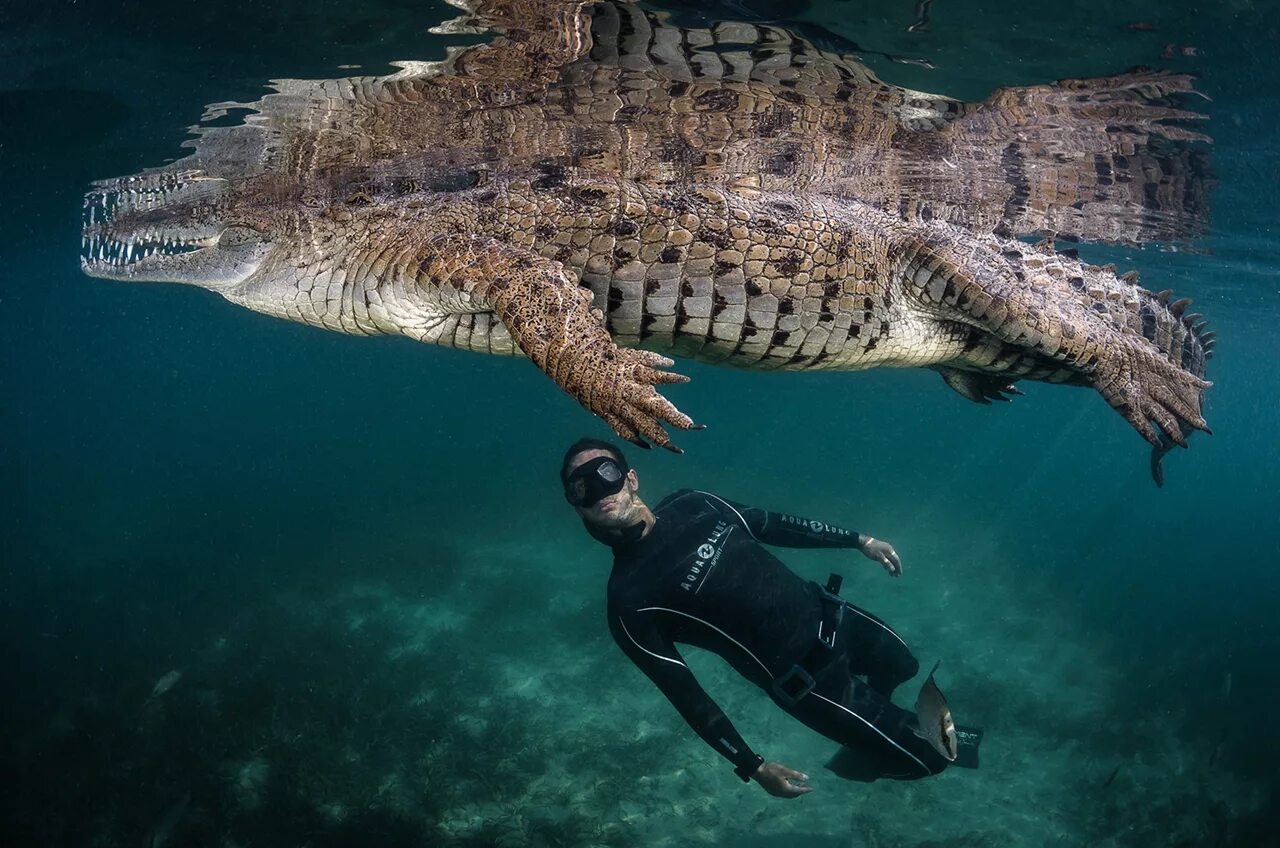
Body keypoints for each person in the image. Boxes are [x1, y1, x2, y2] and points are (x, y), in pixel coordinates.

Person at [561, 437, 976, 798]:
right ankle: (872, 753)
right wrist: (752, 766)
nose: (599, 490)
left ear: (631, 478)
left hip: (832, 615)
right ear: (578, 509)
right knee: (933, 759)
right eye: (581, 488)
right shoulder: (629, 600)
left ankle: (870, 731)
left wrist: (857, 540)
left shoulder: (695, 504)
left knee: (905, 664)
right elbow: (687, 695)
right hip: (812, 683)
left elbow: (773, 524)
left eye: (606, 472)